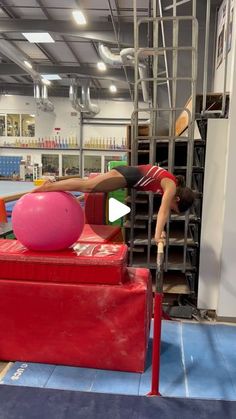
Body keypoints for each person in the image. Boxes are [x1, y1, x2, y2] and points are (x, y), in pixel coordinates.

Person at [33, 164, 195, 245]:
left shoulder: (171, 182)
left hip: (126, 176)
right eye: (175, 208)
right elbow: (163, 211)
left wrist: (161, 231)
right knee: (88, 185)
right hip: (125, 176)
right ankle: (48, 186)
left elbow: (165, 211)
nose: (171, 209)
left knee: (89, 186)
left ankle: (53, 186)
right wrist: (157, 235)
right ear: (178, 200)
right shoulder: (172, 187)